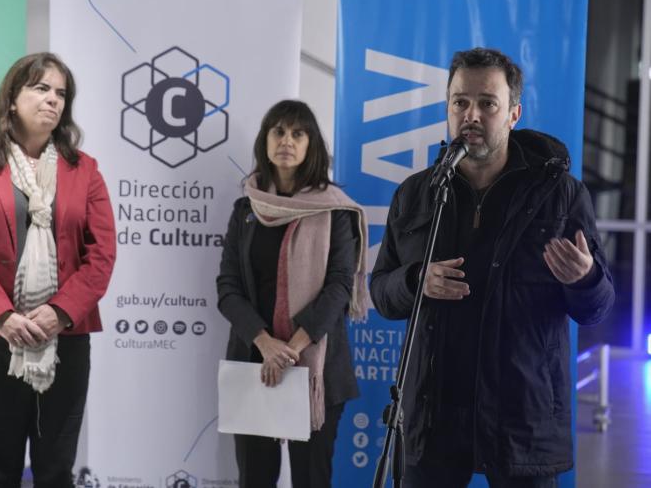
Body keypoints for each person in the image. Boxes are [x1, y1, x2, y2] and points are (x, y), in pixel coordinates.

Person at [370, 47, 615, 487]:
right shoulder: (416, 194)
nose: (472, 115)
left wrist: (585, 279)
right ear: (447, 107)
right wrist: (415, 281)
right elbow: (381, 293)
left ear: (513, 113)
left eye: (488, 103)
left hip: (521, 415)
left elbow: (597, 307)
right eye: (460, 102)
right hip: (434, 415)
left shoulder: (560, 195)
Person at [0, 52, 116, 488]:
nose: (52, 100)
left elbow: (102, 255)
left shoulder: (85, 170)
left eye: (61, 93)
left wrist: (59, 312)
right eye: (41, 88)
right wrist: (3, 317)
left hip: (65, 338)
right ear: (12, 99)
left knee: (56, 472)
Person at [216, 99, 370, 488]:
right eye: (278, 131)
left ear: (311, 145)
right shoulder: (246, 209)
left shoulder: (335, 212)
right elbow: (228, 287)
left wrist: (292, 348)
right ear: (265, 141)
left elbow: (340, 286)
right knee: (255, 479)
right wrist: (266, 343)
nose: (287, 140)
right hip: (254, 363)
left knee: (311, 480)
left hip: (317, 370)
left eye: (297, 133)